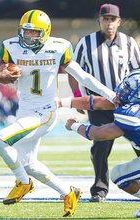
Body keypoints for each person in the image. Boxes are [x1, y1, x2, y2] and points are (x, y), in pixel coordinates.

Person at [0, 9, 117, 217]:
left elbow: (84, 77)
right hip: (25, 111)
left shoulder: (58, 48)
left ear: (45, 32)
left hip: (45, 111)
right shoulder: (11, 46)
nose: (28, 37)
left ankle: (23, 183)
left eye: (33, 33)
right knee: (28, 164)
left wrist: (110, 93)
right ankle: (68, 192)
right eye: (25, 32)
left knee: (1, 141)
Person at [68, 3, 140, 202]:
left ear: (119, 22)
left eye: (112, 20)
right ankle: (99, 189)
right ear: (99, 21)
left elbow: (137, 73)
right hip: (99, 104)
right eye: (105, 19)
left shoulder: (129, 43)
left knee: (139, 145)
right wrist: (77, 98)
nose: (109, 23)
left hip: (127, 105)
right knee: (100, 145)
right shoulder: (85, 43)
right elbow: (74, 73)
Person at [63, 69, 140, 217]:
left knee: (119, 175)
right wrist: (64, 102)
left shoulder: (132, 114)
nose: (123, 89)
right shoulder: (131, 106)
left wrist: (73, 126)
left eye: (128, 88)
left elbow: (98, 134)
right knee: (121, 172)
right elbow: (97, 103)